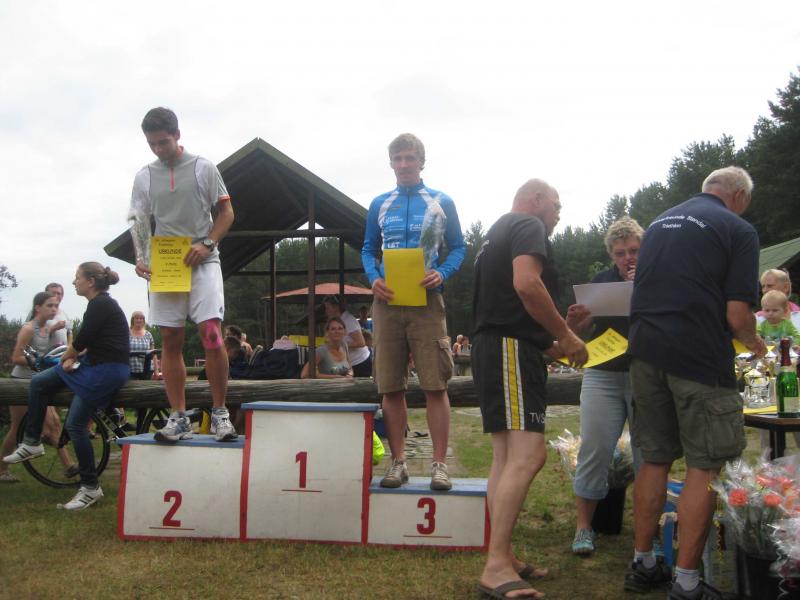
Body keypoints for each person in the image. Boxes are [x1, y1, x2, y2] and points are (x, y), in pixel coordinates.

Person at [626, 167, 767, 599]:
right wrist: (756, 345)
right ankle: (686, 583)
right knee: (704, 466)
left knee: (654, 459)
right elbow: (737, 315)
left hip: (645, 351)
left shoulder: (659, 224)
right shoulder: (737, 228)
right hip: (698, 356)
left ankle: (643, 563)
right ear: (739, 196)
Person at [472, 178, 588, 599]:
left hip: (497, 346)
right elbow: (526, 285)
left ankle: (503, 555)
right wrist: (567, 335)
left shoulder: (495, 234)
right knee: (528, 455)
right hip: (508, 349)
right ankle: (496, 566)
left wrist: (558, 339)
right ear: (536, 200)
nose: (558, 215)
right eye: (556, 205)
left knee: (505, 458)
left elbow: (507, 305)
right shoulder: (527, 224)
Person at [361, 132, 465, 491]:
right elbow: (368, 248)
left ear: (422, 161)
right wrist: (373, 278)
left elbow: (459, 247)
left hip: (427, 301)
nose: (404, 165)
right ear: (391, 163)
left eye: (410, 158)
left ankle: (439, 465)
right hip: (387, 302)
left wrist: (443, 272)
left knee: (435, 385)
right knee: (390, 386)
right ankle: (399, 461)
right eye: (398, 159)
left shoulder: (441, 201)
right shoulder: (380, 203)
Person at [129, 107, 236, 443]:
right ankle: (178, 417)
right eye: (152, 144)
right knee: (170, 338)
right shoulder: (144, 176)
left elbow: (226, 212)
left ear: (177, 135)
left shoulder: (203, 167)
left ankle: (220, 413)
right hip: (167, 261)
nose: (158, 149)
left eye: (163, 142)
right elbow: (138, 220)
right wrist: (141, 257)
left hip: (203, 260)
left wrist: (207, 243)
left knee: (211, 332)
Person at [4, 263, 131, 510]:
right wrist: (73, 358)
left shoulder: (101, 304)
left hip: (106, 371)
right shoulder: (99, 304)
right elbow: (91, 343)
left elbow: (83, 339)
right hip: (94, 365)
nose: (74, 282)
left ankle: (90, 488)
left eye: (77, 278)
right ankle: (32, 442)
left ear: (90, 282)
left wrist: (67, 357)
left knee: (75, 425)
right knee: (39, 382)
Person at [565, 217, 644, 556]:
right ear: (611, 254)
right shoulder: (601, 282)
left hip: (646, 375)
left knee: (648, 454)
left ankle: (648, 531)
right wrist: (574, 323)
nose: (628, 258)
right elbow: (578, 334)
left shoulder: (659, 277)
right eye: (621, 253)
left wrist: (643, 289)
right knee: (594, 448)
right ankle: (584, 527)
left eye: (634, 250)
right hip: (604, 374)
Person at [1, 292, 77, 483]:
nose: (53, 309)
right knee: (16, 428)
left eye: (55, 306)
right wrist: (39, 363)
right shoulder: (28, 329)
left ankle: (69, 466)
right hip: (21, 382)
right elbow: (16, 357)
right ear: (37, 308)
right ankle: (1, 470)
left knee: (54, 423)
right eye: (49, 306)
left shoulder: (47, 328)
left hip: (38, 383)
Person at [322, 295, 371, 377]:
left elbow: (361, 342)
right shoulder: (338, 320)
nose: (326, 311)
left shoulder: (348, 320)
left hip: (360, 362)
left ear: (336, 308)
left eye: (328, 308)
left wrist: (339, 345)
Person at [129, 311, 158, 380]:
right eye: (136, 318)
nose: (139, 320)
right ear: (133, 320)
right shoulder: (126, 334)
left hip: (147, 370)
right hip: (130, 369)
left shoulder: (148, 334)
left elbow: (154, 354)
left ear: (143, 320)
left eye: (141, 318)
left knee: (146, 386)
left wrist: (156, 370)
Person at [44, 282, 72, 346]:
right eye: (53, 293)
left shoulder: (64, 314)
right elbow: (31, 335)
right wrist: (54, 328)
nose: (56, 296)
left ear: (62, 296)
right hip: (44, 352)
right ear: (45, 294)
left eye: (58, 293)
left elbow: (70, 333)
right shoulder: (39, 311)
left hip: (62, 352)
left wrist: (69, 348)